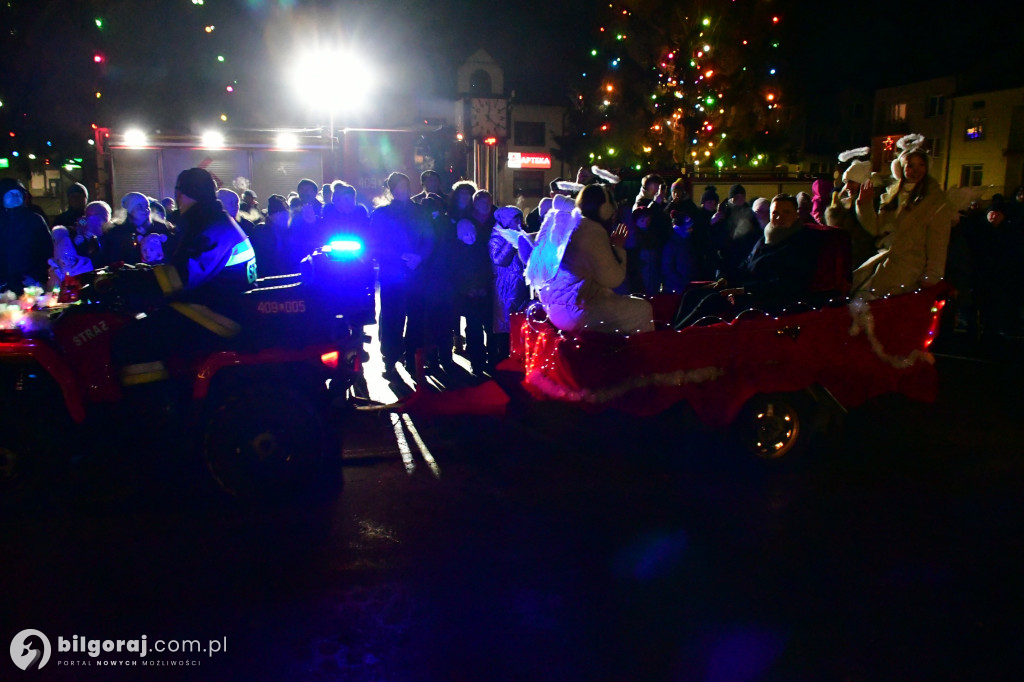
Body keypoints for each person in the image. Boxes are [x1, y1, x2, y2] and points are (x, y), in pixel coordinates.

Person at [673, 194, 821, 328]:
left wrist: (745, 289)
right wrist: (726, 279)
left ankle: (681, 336)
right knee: (692, 294)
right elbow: (746, 265)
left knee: (712, 301)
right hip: (746, 287)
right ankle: (673, 331)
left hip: (767, 297)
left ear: (796, 215)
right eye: (775, 213)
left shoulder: (800, 242)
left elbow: (789, 283)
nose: (779, 217)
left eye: (786, 212)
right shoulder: (766, 238)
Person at [526, 187, 654, 335]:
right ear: (605, 209)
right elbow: (614, 279)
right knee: (643, 309)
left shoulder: (573, 223)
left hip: (557, 307)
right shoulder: (592, 231)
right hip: (574, 311)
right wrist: (619, 248)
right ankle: (635, 350)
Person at [852, 135, 953, 299]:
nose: (916, 170)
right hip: (885, 264)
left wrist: (932, 276)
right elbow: (877, 229)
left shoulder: (935, 202)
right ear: (901, 168)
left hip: (910, 272)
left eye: (921, 165)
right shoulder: (893, 196)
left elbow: (938, 244)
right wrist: (864, 205)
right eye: (910, 165)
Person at [368, 172, 431, 377]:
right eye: (398, 187)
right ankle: (390, 359)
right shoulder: (381, 214)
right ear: (392, 190)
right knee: (392, 318)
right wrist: (399, 256)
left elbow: (430, 238)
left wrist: (420, 257)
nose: (403, 190)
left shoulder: (420, 211)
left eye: (405, 186)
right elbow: (374, 243)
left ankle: (413, 358)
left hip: (416, 272)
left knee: (416, 317)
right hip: (392, 273)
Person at [489, 206, 531, 362]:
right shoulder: (497, 237)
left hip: (519, 285)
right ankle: (503, 358)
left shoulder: (520, 233)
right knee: (505, 324)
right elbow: (499, 260)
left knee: (518, 321)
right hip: (505, 287)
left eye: (520, 218)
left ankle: (516, 357)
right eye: (516, 219)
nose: (519, 222)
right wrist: (511, 241)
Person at [0, 178, 52, 294]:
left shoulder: (34, 219)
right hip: (3, 286)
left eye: (18, 193)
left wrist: (37, 278)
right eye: (11, 193)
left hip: (30, 283)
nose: (15, 196)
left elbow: (46, 250)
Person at [98, 192, 175, 266]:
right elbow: (113, 258)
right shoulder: (118, 232)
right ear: (130, 210)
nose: (145, 209)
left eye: (147, 206)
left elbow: (171, 252)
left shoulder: (160, 228)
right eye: (139, 207)